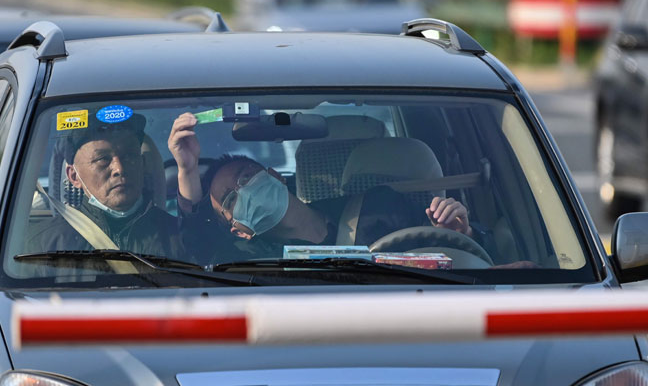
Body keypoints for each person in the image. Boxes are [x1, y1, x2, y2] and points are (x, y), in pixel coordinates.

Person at [167, 112, 479, 264]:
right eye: (232, 198)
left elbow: (462, 262)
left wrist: (459, 233)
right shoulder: (249, 267)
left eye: (246, 176)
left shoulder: (380, 205)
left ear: (276, 175)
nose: (245, 190)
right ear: (240, 230)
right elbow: (192, 252)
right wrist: (187, 170)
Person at [25, 113, 183, 260]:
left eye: (129, 156)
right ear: (74, 176)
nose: (119, 169)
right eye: (102, 159)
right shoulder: (42, 248)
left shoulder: (181, 238)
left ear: (143, 165)